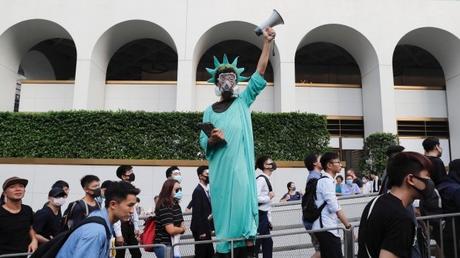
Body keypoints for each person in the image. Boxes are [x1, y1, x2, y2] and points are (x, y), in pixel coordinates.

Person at [199, 27, 275, 257]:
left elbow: (259, 74)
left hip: (240, 168)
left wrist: (267, 43)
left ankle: (245, 243)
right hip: (220, 170)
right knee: (222, 210)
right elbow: (204, 143)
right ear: (216, 82)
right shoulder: (208, 111)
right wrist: (212, 139)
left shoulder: (242, 102)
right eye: (223, 78)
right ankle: (224, 247)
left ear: (236, 81)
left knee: (242, 207)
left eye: (231, 78)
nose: (227, 82)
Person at [357, 152, 433, 258]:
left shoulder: (375, 202)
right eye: (427, 176)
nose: (429, 182)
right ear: (410, 179)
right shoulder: (401, 217)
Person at [57, 181, 140, 258]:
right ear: (113, 204)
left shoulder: (102, 220)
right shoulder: (96, 232)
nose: (132, 211)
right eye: (130, 205)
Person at [313, 152, 351, 258]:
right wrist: (348, 226)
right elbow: (334, 207)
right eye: (338, 162)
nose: (341, 165)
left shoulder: (326, 181)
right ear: (329, 165)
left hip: (325, 227)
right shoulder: (326, 182)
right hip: (326, 228)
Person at [0, 177, 38, 257]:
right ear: (4, 193)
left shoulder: (27, 210)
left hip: (24, 255)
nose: (18, 189)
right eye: (12, 187)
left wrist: (34, 240)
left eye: (21, 186)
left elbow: (30, 228)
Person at [154, 179, 186, 258]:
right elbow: (171, 230)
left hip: (174, 244)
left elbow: (182, 225)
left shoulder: (176, 205)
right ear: (168, 190)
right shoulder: (164, 205)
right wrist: (181, 229)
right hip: (164, 245)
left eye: (180, 189)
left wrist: (181, 229)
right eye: (177, 190)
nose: (180, 191)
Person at [114, 165, 141, 258]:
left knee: (137, 254)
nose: (132, 173)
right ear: (123, 176)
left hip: (130, 226)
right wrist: (119, 234)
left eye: (131, 171)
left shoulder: (131, 188)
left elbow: (134, 210)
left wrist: (136, 226)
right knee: (120, 254)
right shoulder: (119, 189)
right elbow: (116, 212)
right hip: (121, 226)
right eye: (129, 172)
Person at [190, 165, 215, 258]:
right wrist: (201, 231)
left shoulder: (206, 190)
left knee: (209, 252)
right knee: (202, 253)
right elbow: (197, 213)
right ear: (200, 176)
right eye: (207, 174)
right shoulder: (198, 191)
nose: (209, 176)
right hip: (201, 229)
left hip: (206, 227)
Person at [255, 156, 276, 258]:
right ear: (264, 165)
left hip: (264, 218)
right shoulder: (261, 180)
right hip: (259, 216)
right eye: (270, 162)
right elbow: (255, 198)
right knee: (257, 244)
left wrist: (269, 219)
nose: (273, 163)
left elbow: (267, 205)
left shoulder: (267, 179)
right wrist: (268, 197)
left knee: (267, 244)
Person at [303, 153, 322, 258]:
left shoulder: (314, 176)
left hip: (312, 219)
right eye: (321, 159)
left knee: (322, 249)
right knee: (322, 249)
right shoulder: (314, 178)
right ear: (315, 163)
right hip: (314, 219)